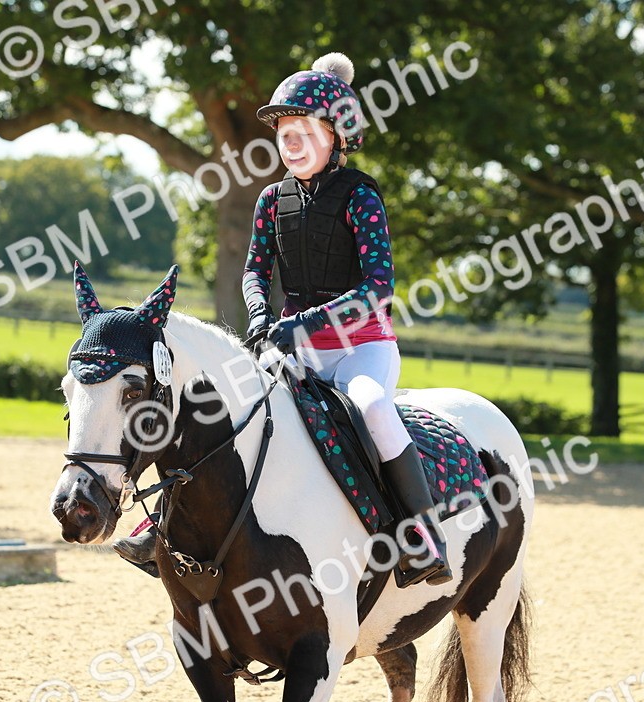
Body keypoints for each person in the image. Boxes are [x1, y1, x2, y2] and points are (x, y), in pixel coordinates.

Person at [117, 53, 451, 587]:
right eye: (284, 131)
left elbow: (377, 289)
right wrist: (259, 313)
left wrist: (302, 323)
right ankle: (156, 526)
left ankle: (421, 535)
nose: (290, 141)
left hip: (360, 347)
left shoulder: (362, 196)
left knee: (372, 407)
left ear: (336, 136)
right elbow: (255, 269)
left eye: (303, 130)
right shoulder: (272, 200)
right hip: (291, 346)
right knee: (211, 407)